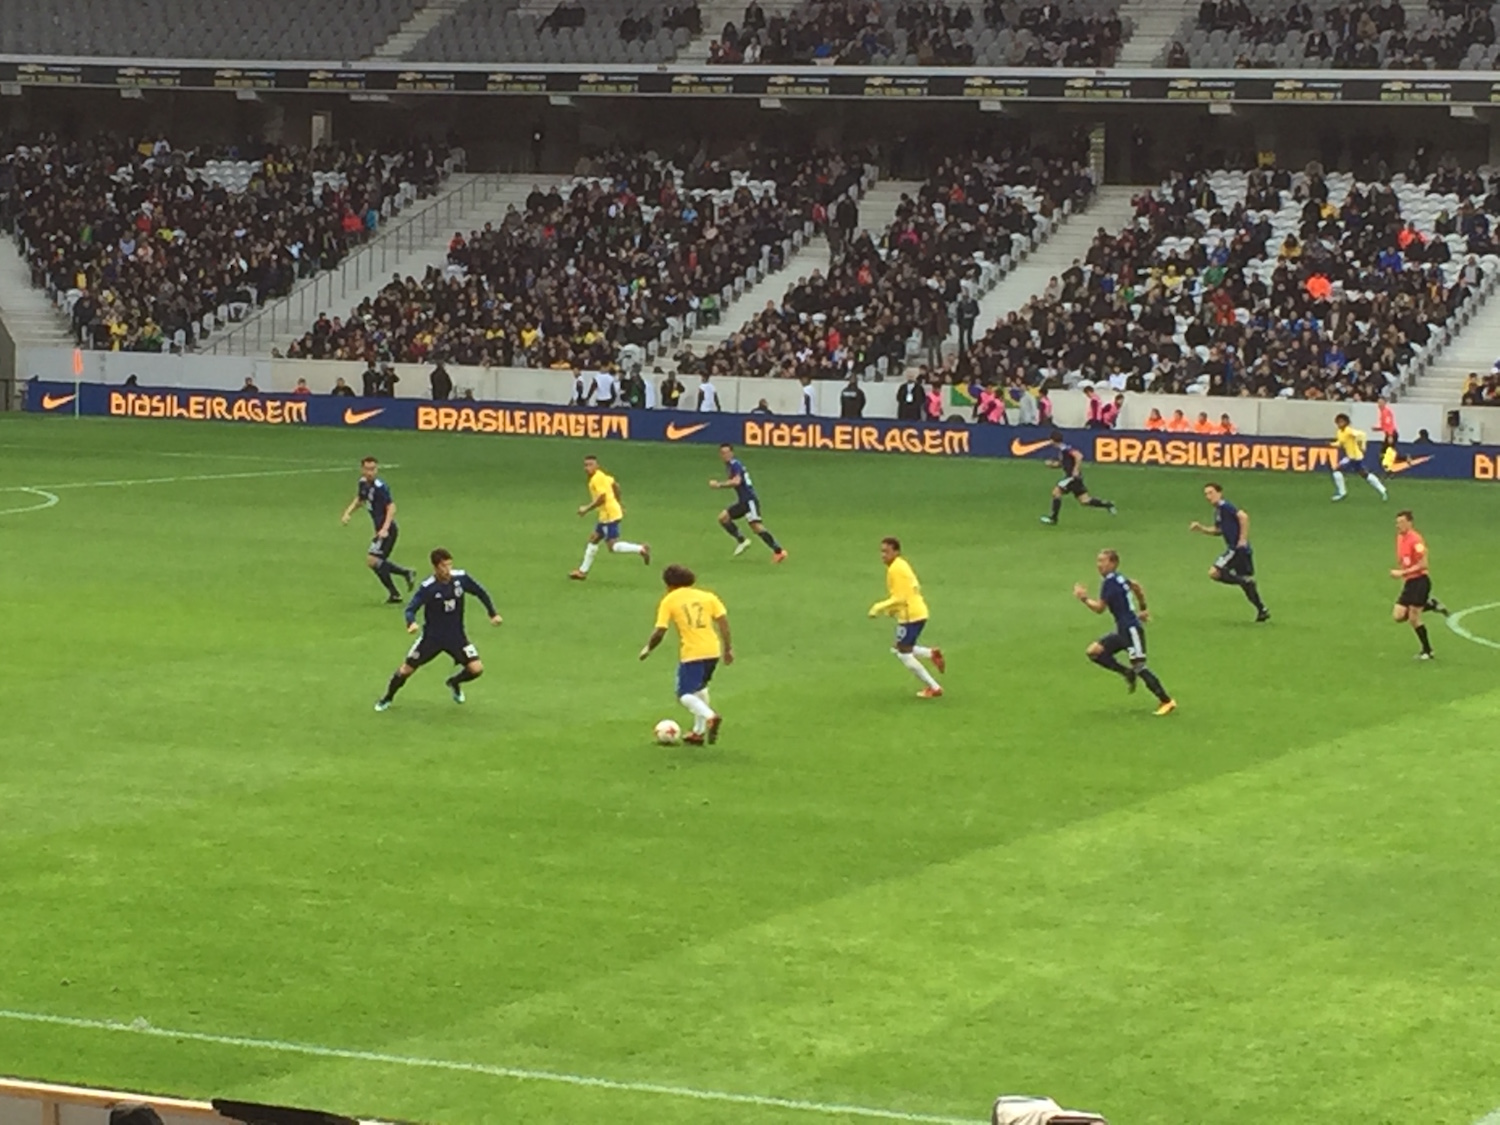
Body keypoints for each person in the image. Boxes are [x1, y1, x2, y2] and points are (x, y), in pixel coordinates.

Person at [375, 548, 502, 711]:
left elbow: (480, 592)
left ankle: (454, 682)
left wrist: (493, 614)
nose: (448, 570)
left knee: (476, 669)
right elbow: (410, 609)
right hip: (432, 638)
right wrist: (411, 623)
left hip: (457, 637)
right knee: (406, 670)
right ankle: (387, 698)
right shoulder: (428, 587)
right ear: (435, 567)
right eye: (444, 566)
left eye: (449, 565)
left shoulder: (461, 578)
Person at [1073, 548, 1175, 716]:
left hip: (1131, 629)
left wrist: (1083, 598)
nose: (1099, 565)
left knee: (1140, 666)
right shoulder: (1120, 578)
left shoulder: (1110, 582)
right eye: (1098, 561)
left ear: (1113, 563)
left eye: (1102, 561)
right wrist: (1143, 609)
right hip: (1123, 629)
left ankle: (1166, 701)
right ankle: (1126, 672)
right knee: (1094, 652)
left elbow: (1099, 608)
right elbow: (1136, 586)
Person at [639, 564, 730, 745]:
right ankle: (698, 732)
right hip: (713, 650)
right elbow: (723, 623)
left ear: (669, 584)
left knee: (684, 694)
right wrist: (728, 648)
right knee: (700, 688)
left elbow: (660, 630)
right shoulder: (708, 597)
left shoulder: (670, 600)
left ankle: (710, 716)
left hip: (692, 653)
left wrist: (648, 648)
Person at [867, 537, 944, 698]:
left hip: (911, 615)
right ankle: (931, 654)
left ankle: (934, 687)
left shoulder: (896, 569)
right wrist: (892, 610)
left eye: (886, 551)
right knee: (901, 647)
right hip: (915, 612)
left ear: (896, 552)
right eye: (881, 551)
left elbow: (900, 597)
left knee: (903, 653)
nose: (883, 555)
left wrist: (879, 607)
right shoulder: (901, 564)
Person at [340, 456, 416, 603]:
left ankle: (403, 579)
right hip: (380, 530)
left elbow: (391, 507)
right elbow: (360, 499)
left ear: (377, 469)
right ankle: (398, 587)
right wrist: (347, 512)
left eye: (373, 469)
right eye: (367, 469)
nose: (370, 473)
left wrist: (385, 529)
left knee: (373, 561)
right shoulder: (363, 483)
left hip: (388, 530)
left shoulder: (380, 487)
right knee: (375, 562)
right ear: (362, 470)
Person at [1189, 482, 1270, 622]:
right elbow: (1218, 530)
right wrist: (1201, 528)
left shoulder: (1225, 506)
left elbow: (1243, 516)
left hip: (1236, 549)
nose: (1208, 497)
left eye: (1211, 493)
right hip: (1241, 550)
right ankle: (1261, 609)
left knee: (1214, 572)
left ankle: (1244, 582)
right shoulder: (1218, 512)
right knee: (1246, 585)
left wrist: (1243, 539)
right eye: (1206, 494)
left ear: (1219, 493)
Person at [570, 454, 650, 579]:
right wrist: (618, 503)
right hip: (608, 513)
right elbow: (615, 485)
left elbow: (602, 498)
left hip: (609, 516)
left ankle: (641, 549)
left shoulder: (597, 479)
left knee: (612, 546)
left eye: (591, 465)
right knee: (594, 539)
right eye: (586, 465)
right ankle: (582, 572)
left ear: (597, 465)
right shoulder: (603, 476)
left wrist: (586, 508)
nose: (587, 468)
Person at [710, 443, 787, 562]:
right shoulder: (731, 466)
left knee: (757, 527)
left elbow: (737, 481)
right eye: (723, 453)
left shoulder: (735, 464)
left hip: (749, 500)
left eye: (727, 452)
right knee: (723, 518)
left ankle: (779, 551)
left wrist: (719, 485)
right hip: (744, 501)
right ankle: (742, 540)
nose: (725, 455)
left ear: (732, 453)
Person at [1391, 509, 1449, 660]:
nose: (1398, 525)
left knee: (1413, 618)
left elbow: (1423, 564)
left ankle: (1427, 651)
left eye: (1402, 522)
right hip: (1410, 582)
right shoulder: (1399, 538)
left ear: (1410, 523)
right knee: (1398, 616)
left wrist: (1402, 573)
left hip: (1420, 581)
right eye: (1397, 523)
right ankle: (1430, 604)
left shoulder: (1416, 540)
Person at [1041, 430, 1116, 524]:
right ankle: (1108, 504)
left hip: (1072, 477)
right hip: (1075, 478)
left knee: (1056, 492)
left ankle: (1053, 519)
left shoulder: (1065, 449)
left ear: (1052, 440)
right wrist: (1053, 465)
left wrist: (1076, 469)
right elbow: (1064, 464)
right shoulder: (1062, 450)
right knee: (1085, 501)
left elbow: (1079, 456)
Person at [1330, 412, 1389, 502]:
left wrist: (1363, 446)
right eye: (1338, 422)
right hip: (1351, 457)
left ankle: (1342, 493)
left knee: (1337, 471)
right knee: (1364, 474)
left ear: (1346, 422)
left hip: (1354, 457)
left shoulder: (1349, 430)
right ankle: (1383, 490)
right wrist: (1333, 444)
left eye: (1341, 422)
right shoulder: (1340, 432)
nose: (1339, 424)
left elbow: (1362, 435)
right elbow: (1341, 443)